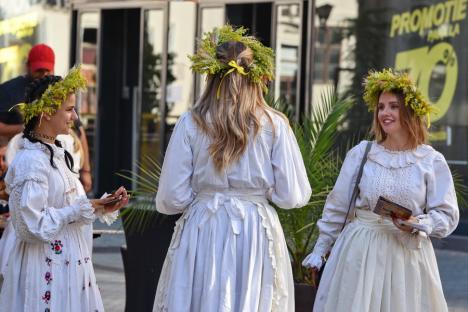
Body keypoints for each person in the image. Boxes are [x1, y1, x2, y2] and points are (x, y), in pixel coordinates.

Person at [152, 25, 311, 312]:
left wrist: (204, 198)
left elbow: (171, 198)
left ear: (210, 76)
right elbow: (292, 195)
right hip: (255, 229)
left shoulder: (191, 122)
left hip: (205, 226)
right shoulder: (274, 124)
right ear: (256, 77)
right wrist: (263, 192)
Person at [302, 68, 459, 312]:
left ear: (409, 111)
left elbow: (447, 215)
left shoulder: (430, 160)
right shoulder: (362, 153)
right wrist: (320, 250)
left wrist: (419, 223)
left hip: (406, 257)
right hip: (360, 253)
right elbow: (337, 206)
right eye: (381, 107)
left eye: (393, 106)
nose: (385, 112)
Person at [0, 67, 129, 311]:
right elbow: (31, 225)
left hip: (68, 264)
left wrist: (101, 206)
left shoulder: (58, 152)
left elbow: (69, 207)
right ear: (47, 112)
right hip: (44, 266)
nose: (76, 117)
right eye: (69, 109)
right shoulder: (32, 161)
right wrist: (79, 210)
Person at [0, 43, 93, 192]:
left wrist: (86, 170)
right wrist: (24, 128)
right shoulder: (8, 91)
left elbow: (79, 130)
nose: (43, 74)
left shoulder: (59, 90)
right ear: (28, 66)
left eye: (47, 70)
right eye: (39, 70)